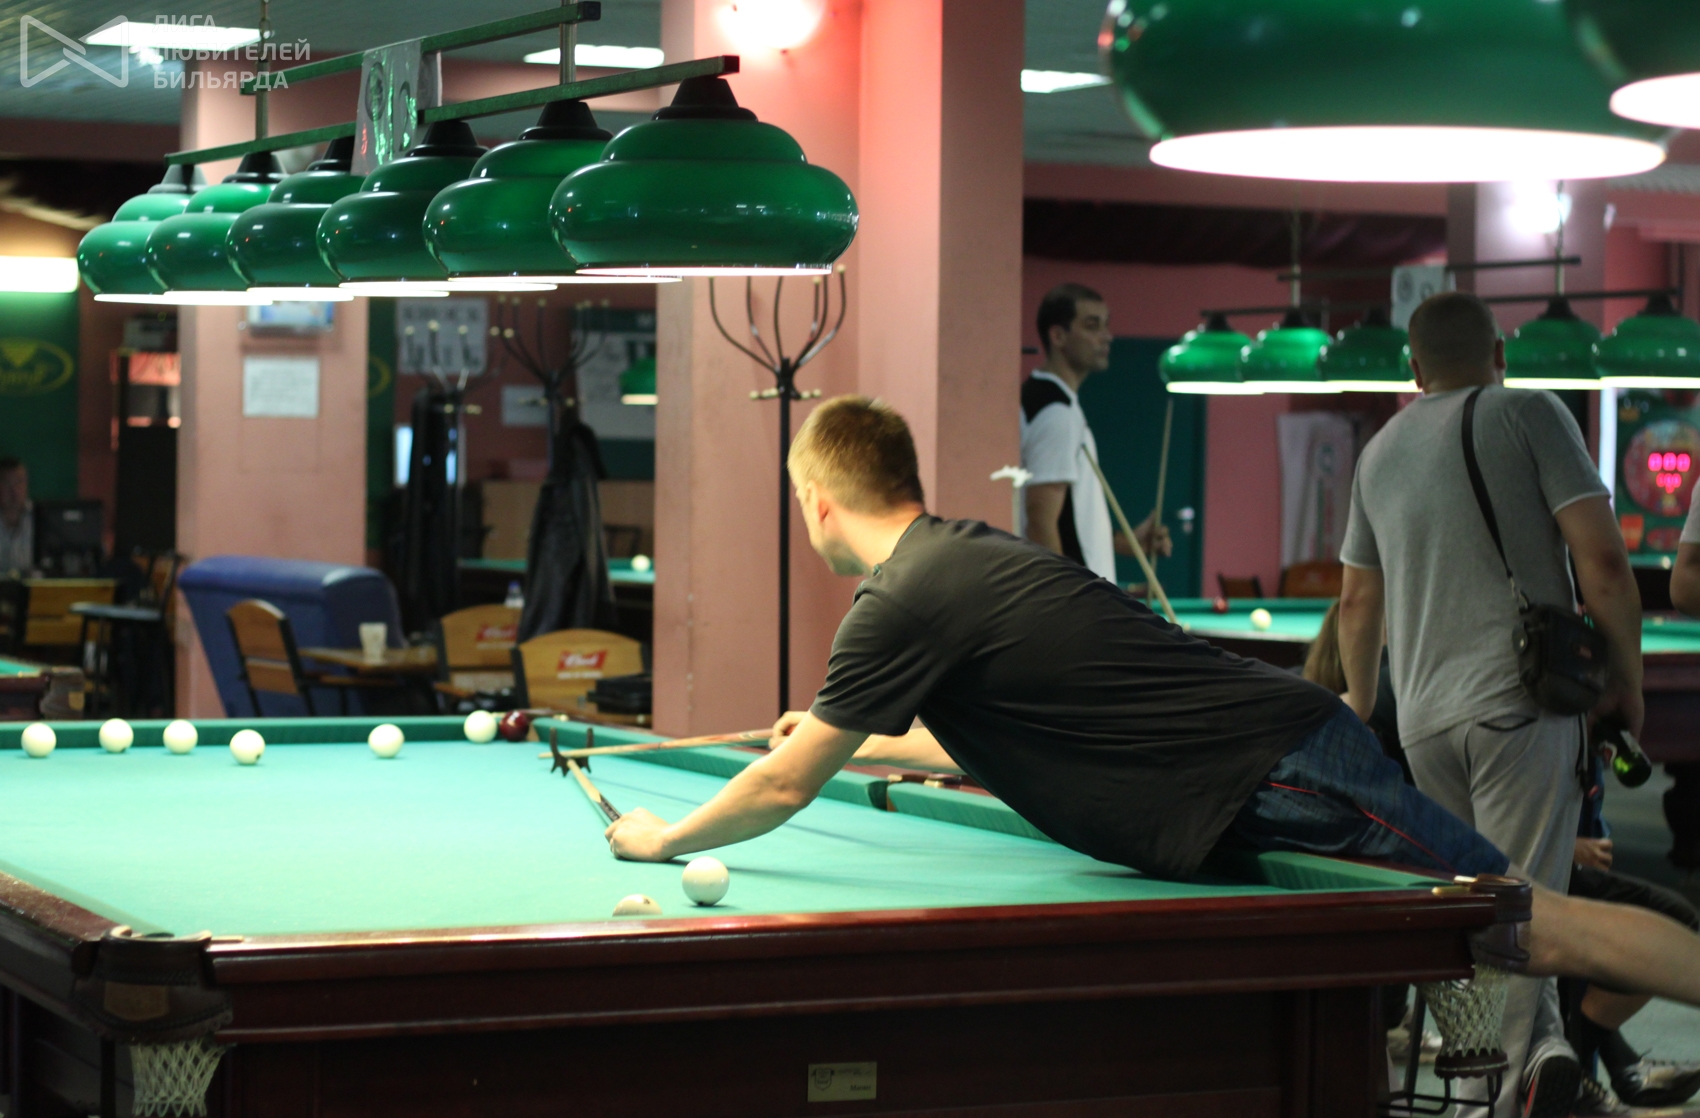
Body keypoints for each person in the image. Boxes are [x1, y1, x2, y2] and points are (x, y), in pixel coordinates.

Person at [604, 394, 1700, 1042]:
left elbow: (786, 786)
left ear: (814, 500)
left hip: (1277, 764)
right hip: (1260, 770)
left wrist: (664, 838)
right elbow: (996, 728)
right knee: (1520, 923)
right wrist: (844, 732)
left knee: (1528, 924)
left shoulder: (898, 599)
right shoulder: (956, 556)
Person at [1337, 291, 1644, 1118]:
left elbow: (1357, 602)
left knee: (1480, 903)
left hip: (1424, 720)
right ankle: (1494, 1099)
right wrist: (1627, 680)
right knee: (1519, 909)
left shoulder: (1379, 452)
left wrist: (1360, 701)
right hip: (1519, 705)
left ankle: (1541, 1062)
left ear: (1413, 368)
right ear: (1501, 353)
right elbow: (1604, 564)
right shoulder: (1530, 413)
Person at [1020, 283, 1168, 582]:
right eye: (1092, 326)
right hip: (1072, 598)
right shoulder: (1057, 414)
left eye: (1105, 325)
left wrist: (1123, 543)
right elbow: (1040, 522)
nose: (1106, 336)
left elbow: (1066, 521)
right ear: (1058, 336)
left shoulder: (1050, 401)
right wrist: (1062, 599)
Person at [0, 458, 31, 575]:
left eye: (19, 482)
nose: (14, 490)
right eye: (7, 483)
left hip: (32, 584)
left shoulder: (41, 518)